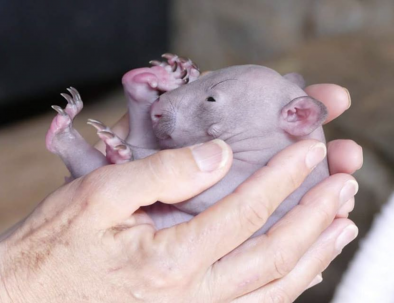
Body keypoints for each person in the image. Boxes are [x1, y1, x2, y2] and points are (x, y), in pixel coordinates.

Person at [0, 84, 362, 302]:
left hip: (174, 256)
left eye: (211, 99)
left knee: (109, 188)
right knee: (105, 190)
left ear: (297, 116)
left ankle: (71, 142)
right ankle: (69, 142)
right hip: (144, 241)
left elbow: (196, 193)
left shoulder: (280, 163)